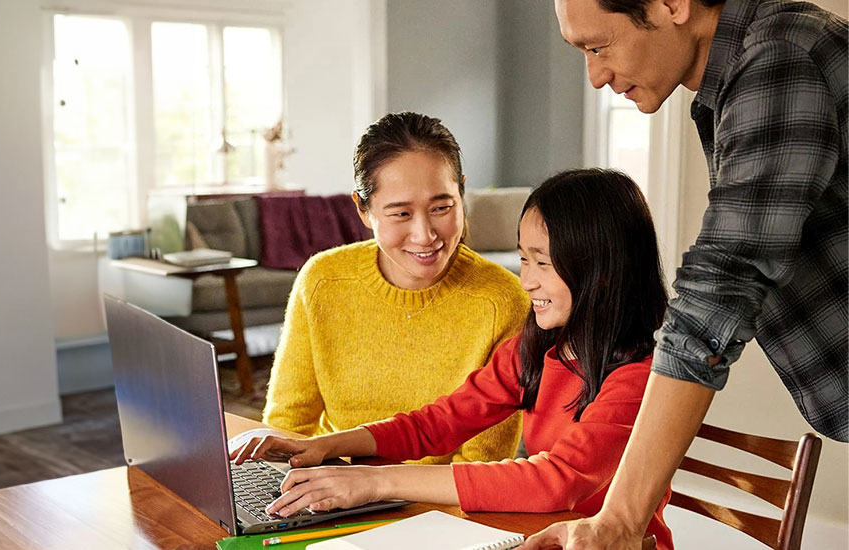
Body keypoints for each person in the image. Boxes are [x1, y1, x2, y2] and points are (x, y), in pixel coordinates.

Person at [520, 1, 847, 548]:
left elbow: (718, 293)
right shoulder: (744, 76)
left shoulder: (780, 59)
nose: (596, 76)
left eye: (599, 47)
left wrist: (620, 520)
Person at [234, 169, 675, 549]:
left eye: (542, 263)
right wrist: (329, 444)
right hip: (532, 534)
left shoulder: (639, 379)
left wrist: (374, 482)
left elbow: (553, 480)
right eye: (523, 259)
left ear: (602, 270)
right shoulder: (540, 350)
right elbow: (439, 423)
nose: (525, 281)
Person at [261, 111, 527, 464]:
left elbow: (481, 467)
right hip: (329, 491)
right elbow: (287, 426)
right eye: (401, 214)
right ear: (363, 210)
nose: (425, 235)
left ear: (462, 192)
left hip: (438, 508)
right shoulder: (323, 280)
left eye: (442, 207)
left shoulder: (503, 301)